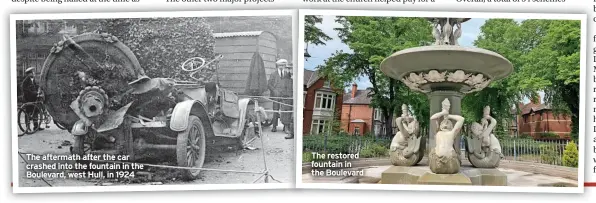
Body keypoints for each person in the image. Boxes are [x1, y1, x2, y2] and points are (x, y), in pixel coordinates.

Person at [268, 59, 286, 132]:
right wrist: (274, 91)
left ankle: (285, 126)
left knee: (285, 111)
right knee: (275, 111)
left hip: (285, 96)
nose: (281, 66)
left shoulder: (287, 74)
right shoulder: (273, 74)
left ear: (284, 66)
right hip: (276, 95)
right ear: (277, 66)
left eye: (283, 65)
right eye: (280, 65)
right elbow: (269, 84)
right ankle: (274, 126)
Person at [280, 62, 294, 139]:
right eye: (289, 69)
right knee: (286, 112)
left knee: (290, 113)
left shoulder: (293, 78)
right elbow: (283, 89)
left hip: (292, 97)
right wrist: (285, 95)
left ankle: (288, 127)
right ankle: (286, 127)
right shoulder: (285, 79)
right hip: (286, 98)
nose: (291, 70)